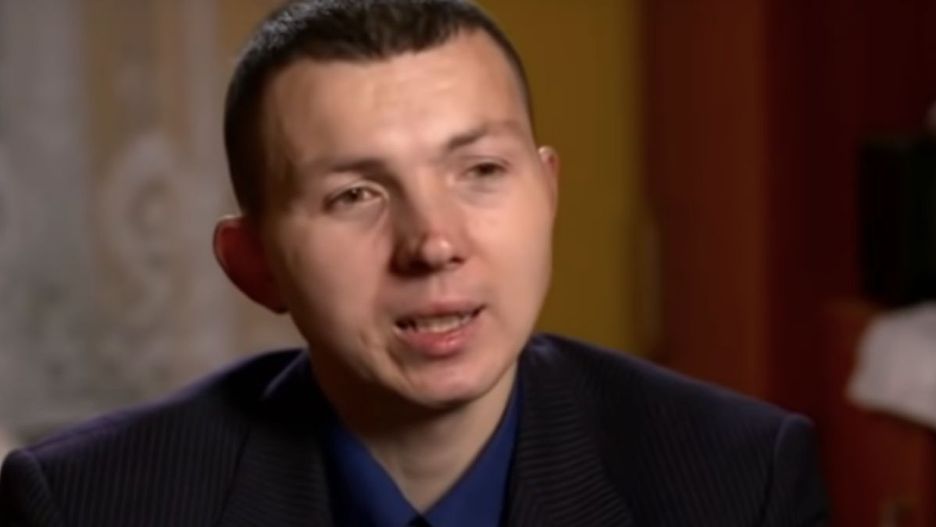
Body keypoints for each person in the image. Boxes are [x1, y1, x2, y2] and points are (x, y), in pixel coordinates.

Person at [0, 1, 828, 525]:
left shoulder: (739, 479)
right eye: (355, 193)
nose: (434, 242)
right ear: (254, 264)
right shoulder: (88, 504)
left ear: (548, 192)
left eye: (481, 170)